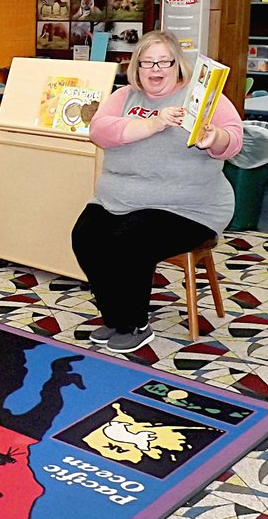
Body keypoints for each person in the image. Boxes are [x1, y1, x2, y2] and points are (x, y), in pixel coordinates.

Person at [71, 30, 242, 354]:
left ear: (178, 65)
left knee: (129, 240)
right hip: (119, 199)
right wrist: (153, 124)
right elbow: (99, 131)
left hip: (188, 208)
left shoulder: (202, 97)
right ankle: (115, 317)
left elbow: (233, 139)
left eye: (165, 62)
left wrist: (214, 137)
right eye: (148, 62)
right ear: (137, 66)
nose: (156, 69)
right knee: (85, 237)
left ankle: (135, 324)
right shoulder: (124, 96)